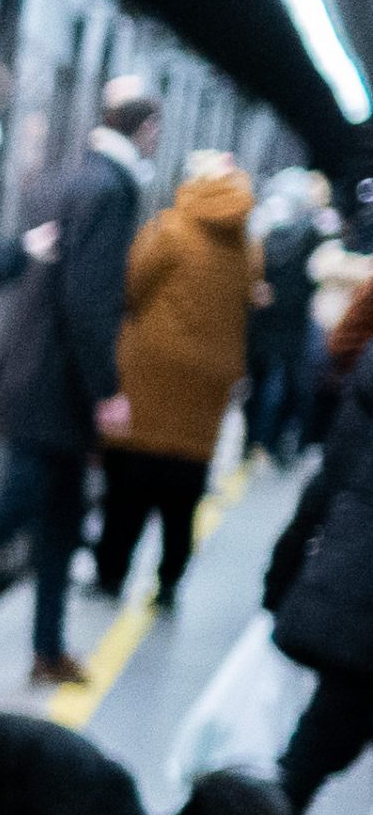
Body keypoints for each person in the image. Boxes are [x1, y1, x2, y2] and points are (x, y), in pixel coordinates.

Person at [0, 75, 161, 687]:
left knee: (61, 518)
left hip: (37, 374)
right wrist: (106, 390)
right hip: (57, 388)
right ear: (145, 129)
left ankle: (48, 650)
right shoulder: (112, 191)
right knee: (20, 509)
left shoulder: (64, 177)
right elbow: (88, 300)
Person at [91, 151, 256, 609]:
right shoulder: (247, 249)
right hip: (206, 387)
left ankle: (111, 574)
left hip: (151, 373)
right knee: (183, 492)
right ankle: (168, 582)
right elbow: (249, 298)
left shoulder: (170, 229)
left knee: (128, 486)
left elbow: (131, 287)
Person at [263, 336, 373, 815]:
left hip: (352, 580)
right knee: (328, 733)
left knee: (321, 736)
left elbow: (328, 482)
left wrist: (283, 572)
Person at [248, 168, 330, 464]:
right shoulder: (312, 234)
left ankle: (256, 443)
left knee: (264, 384)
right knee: (275, 385)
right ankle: (264, 444)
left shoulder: (265, 228)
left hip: (269, 318)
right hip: (286, 320)